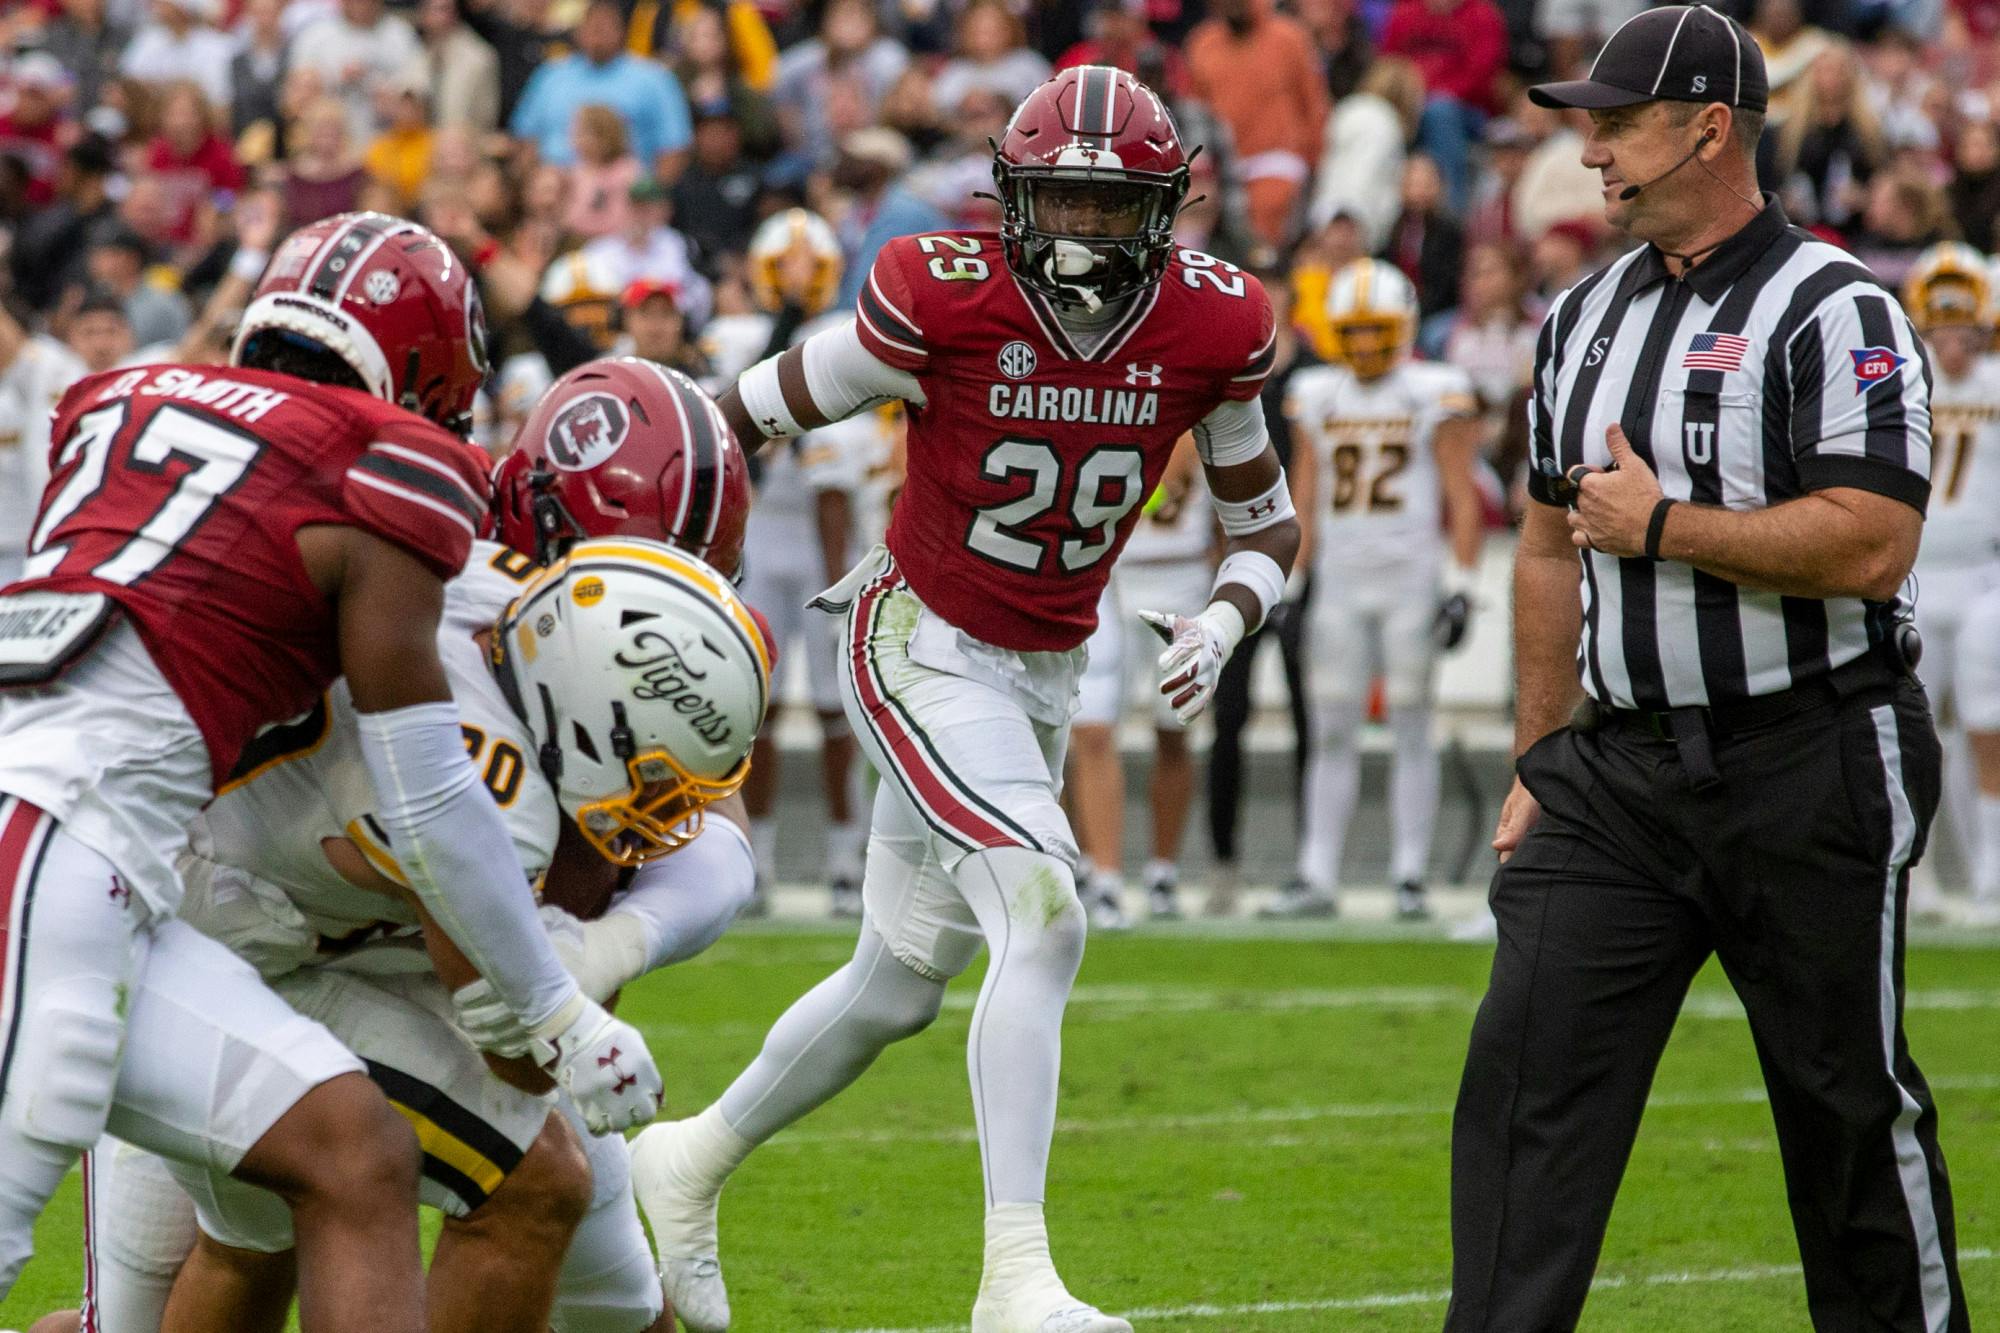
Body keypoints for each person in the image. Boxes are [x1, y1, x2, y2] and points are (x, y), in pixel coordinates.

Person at [629, 66, 1298, 1333]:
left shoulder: (1211, 325)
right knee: (1042, 912)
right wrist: (655, 553)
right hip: (918, 640)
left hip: (1040, 668)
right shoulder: (939, 293)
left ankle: (685, 1159)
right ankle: (1013, 1280)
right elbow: (742, 413)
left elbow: (1264, 525)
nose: (1082, 230)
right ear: (1012, 197)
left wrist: (1222, 618)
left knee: (895, 984)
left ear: (1163, 210)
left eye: (1112, 207)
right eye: (1061, 201)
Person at [0, 211, 654, 1324]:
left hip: (119, 875)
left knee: (353, 1150)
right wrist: (563, 1011)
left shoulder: (117, 394)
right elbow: (427, 791)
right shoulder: (392, 465)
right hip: (58, 843)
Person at [50, 362, 760, 1333]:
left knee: (590, 1263)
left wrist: (610, 945)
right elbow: (517, 1043)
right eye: (654, 586)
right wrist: (568, 973)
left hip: (294, 919)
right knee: (500, 1182)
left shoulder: (510, 603)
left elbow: (717, 828)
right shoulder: (449, 664)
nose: (673, 614)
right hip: (210, 936)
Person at [1448, 10, 1968, 1329]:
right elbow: (1546, 549)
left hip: (1809, 752)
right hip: (1615, 776)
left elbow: (1873, 542)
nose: (1592, 154)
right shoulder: (1581, 316)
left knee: (1845, 1110)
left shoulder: (1835, 305)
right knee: (1521, 1087)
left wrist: (1667, 528)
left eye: (1619, 126)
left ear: (1708, 127)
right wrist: (1536, 754)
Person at [1272, 257, 1482, 920]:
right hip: (1339, 582)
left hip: (1410, 580)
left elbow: (1461, 494)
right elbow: (1305, 495)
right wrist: (1293, 585)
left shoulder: (1432, 390)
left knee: (1411, 722)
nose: (1364, 345)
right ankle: (1317, 874)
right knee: (1330, 728)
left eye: (1376, 330)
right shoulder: (1317, 393)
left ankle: (1409, 874)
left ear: (1404, 327)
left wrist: (1463, 584)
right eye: (1354, 331)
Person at [731, 209, 873, 917]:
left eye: (807, 268)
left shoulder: (845, 334)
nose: (797, 279)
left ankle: (847, 859)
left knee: (834, 708)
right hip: (760, 536)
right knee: (753, 708)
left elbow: (837, 473)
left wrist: (838, 573)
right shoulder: (736, 336)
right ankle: (754, 859)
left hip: (824, 542)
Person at [1070, 438, 1213, 925]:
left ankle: (1162, 872)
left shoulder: (1201, 418)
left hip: (1183, 579)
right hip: (1110, 580)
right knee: (1089, 730)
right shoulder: (1106, 406)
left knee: (1174, 732)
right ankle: (1100, 875)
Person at [1900, 244, 2000, 926]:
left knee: (1987, 721)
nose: (1954, 346)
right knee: (1913, 728)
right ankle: (1921, 875)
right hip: (1916, 571)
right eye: (1942, 331)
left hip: (1984, 573)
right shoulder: (1906, 382)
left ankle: (1991, 870)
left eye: (1965, 331)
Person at [508, 0, 692, 181]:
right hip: (554, 185)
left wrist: (652, 193)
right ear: (578, 32)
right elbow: (525, 140)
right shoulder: (551, 74)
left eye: (605, 28)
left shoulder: (654, 78)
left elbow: (674, 147)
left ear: (621, 31)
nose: (597, 35)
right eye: (592, 27)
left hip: (625, 188)